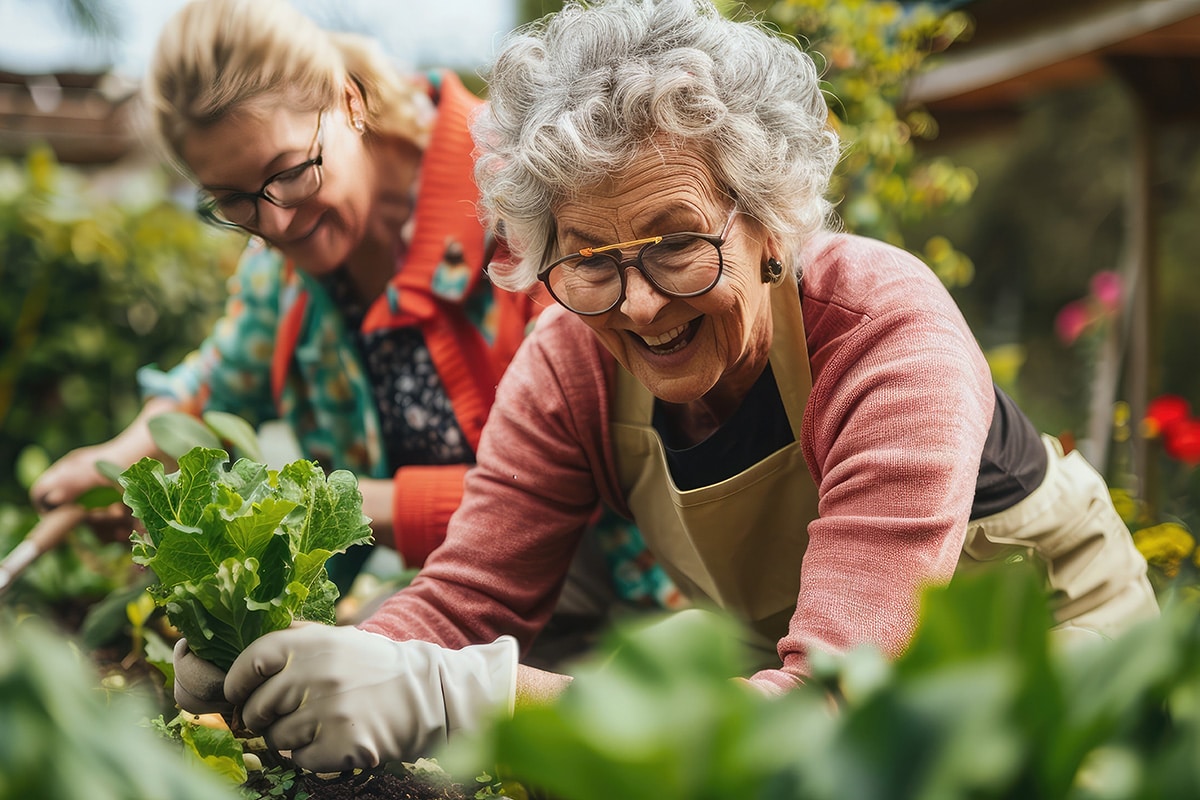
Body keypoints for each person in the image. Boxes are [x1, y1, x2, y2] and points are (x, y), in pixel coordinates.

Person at [172, 0, 1161, 773]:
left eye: (678, 244)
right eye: (588, 259)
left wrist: (466, 696)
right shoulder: (568, 364)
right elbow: (466, 603)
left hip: (1054, 676)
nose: (639, 305)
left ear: (770, 215)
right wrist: (293, 664)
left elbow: (833, 709)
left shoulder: (880, 333)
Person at [26, 0, 551, 593]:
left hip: (602, 605)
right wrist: (120, 462)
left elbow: (550, 491)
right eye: (232, 200)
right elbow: (213, 389)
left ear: (350, 102)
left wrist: (322, 503)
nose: (273, 226)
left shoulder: (522, 201)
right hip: (461, 600)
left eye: (290, 172)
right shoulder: (281, 274)